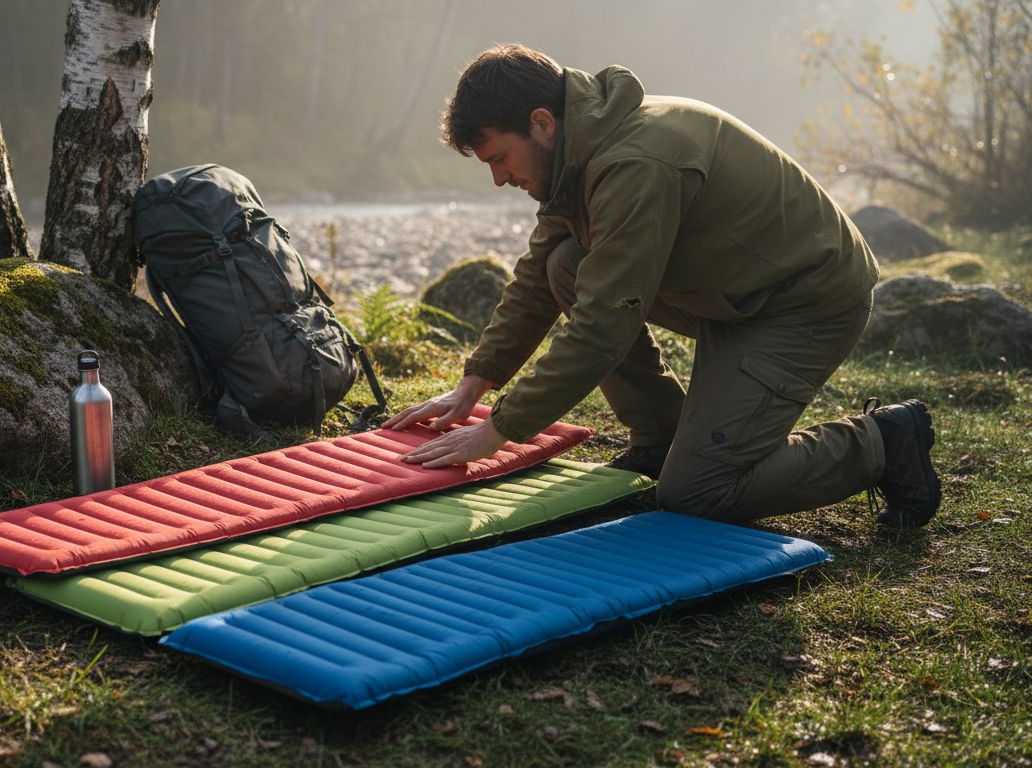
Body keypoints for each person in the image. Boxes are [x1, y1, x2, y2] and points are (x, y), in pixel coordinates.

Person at [382, 44, 940, 527]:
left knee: (697, 493)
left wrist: (501, 429)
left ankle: (885, 443)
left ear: (542, 122)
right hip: (732, 291)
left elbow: (605, 323)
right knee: (565, 267)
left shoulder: (634, 163)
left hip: (803, 302)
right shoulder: (576, 158)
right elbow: (535, 280)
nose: (499, 177)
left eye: (500, 157)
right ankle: (661, 437)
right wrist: (474, 386)